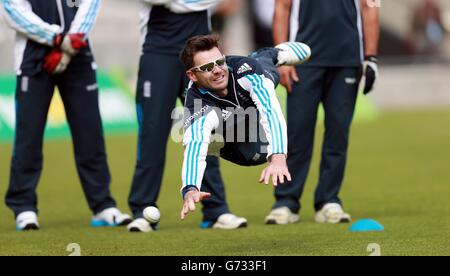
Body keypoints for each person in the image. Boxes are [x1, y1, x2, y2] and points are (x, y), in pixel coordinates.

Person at [1, 0, 131, 231]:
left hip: (78, 53)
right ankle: (24, 208)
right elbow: (13, 10)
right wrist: (57, 39)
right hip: (34, 56)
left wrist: (70, 42)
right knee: (28, 136)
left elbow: (90, 4)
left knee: (89, 134)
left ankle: (102, 206)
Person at [126, 0, 248, 232]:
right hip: (159, 50)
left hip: (201, 53)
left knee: (207, 131)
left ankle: (216, 210)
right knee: (152, 133)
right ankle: (142, 209)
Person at [266, 0, 380, 225]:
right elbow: (282, 9)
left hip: (346, 61)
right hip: (302, 62)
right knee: (298, 134)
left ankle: (328, 201)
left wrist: (370, 57)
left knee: (338, 133)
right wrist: (282, 58)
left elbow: (371, 7)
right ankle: (286, 202)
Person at [177, 34, 311, 220]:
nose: (217, 70)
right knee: (251, 155)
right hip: (230, 131)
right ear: (192, 75)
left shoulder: (247, 71)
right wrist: (190, 188)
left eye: (220, 62)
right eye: (207, 68)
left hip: (253, 103)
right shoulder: (196, 104)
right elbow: (194, 145)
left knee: (271, 68)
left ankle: (272, 54)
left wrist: (278, 156)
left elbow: (270, 111)